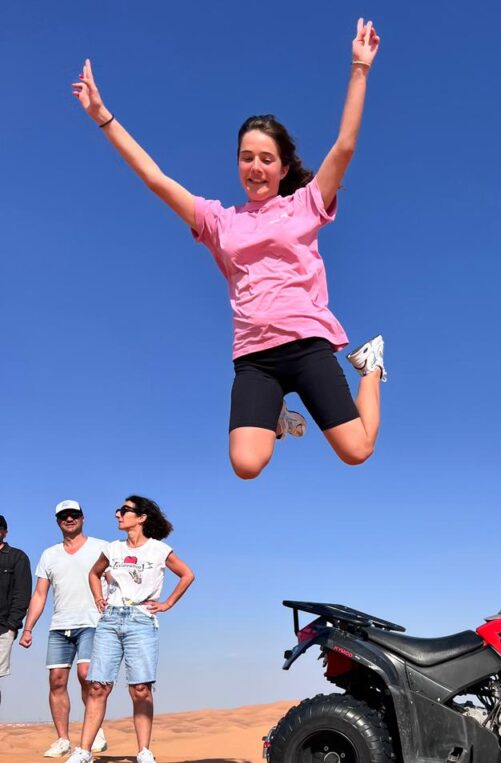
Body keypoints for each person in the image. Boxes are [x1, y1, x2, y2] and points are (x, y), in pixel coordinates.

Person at [72, 19, 386, 480]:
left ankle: (373, 367)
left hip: (306, 344)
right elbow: (156, 180)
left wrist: (359, 68)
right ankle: (275, 414)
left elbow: (345, 146)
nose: (255, 167)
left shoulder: (305, 204)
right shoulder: (220, 220)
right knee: (246, 464)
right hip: (255, 357)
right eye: (246, 157)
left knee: (357, 450)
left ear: (281, 168)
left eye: (265, 159)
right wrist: (104, 117)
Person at [59, 496, 194, 763]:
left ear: (141, 517)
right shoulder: (113, 548)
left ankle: (144, 752)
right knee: (97, 686)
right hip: (110, 620)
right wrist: (99, 598)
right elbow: (94, 573)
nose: (118, 514)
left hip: (141, 621)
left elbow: (187, 574)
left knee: (140, 689)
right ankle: (83, 751)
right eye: (119, 510)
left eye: (125, 511)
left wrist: (167, 603)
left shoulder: (158, 549)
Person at [20, 500, 110, 757]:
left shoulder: (100, 547)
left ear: (82, 518)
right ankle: (62, 739)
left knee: (86, 675)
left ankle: (95, 731)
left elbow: (113, 578)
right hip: (60, 625)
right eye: (63, 516)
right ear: (58, 521)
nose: (69, 519)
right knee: (56, 681)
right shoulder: (49, 554)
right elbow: (40, 594)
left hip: (92, 622)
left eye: (74, 515)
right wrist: (29, 629)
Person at [0, 515, 31, 695]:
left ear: (4, 532)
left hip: (2, 627)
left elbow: (22, 594)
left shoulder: (16, 557)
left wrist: (11, 626)